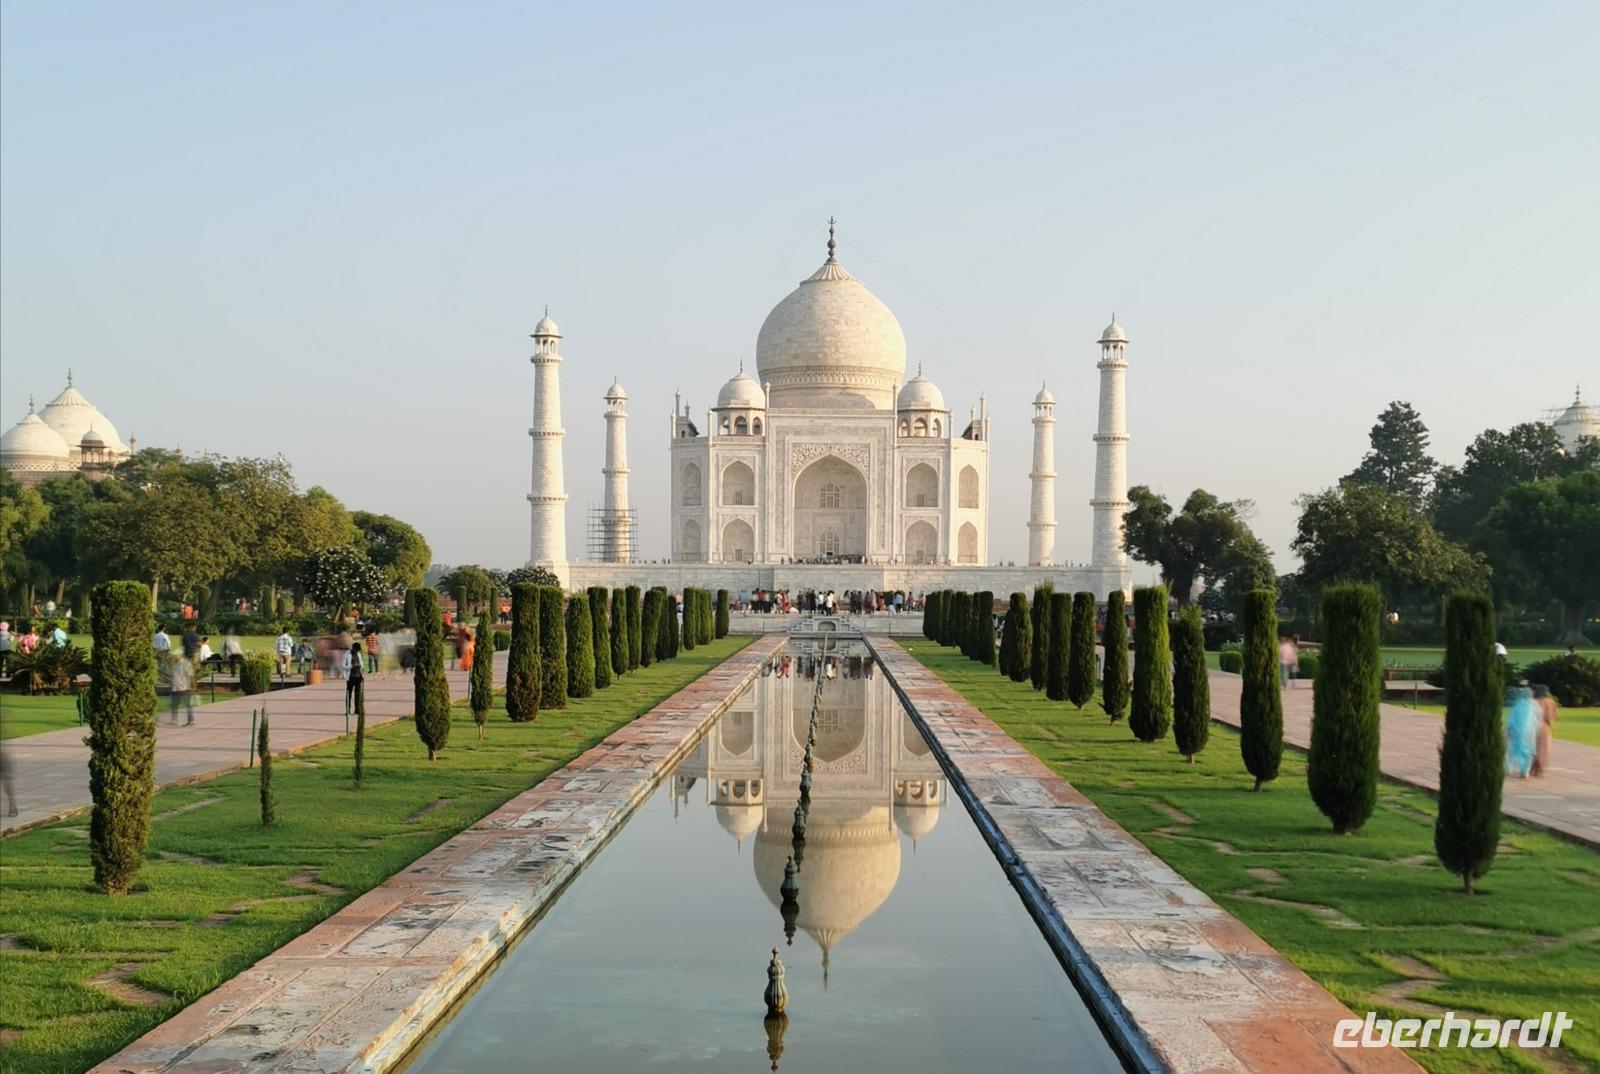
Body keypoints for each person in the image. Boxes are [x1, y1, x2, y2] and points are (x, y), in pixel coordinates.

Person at [1505, 686, 1539, 778]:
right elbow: (1539, 719)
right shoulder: (1535, 706)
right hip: (1530, 733)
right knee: (1528, 752)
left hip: (1517, 732)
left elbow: (1512, 719)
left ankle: (1509, 769)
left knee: (1511, 750)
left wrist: (1508, 729)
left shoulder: (1518, 705)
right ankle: (1525, 771)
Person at [1532, 684, 1558, 777]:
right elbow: (1549, 716)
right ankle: (1541, 769)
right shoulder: (1549, 702)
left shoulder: (1533, 701)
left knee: (1534, 747)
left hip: (1533, 727)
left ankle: (1533, 768)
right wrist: (1552, 726)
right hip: (1544, 727)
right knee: (1544, 748)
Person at [169, 654, 197, 726]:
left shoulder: (186, 664)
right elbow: (173, 676)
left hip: (185, 688)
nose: (172, 660)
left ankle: (191, 721)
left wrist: (194, 687)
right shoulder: (174, 665)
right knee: (174, 705)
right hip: (176, 688)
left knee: (188, 705)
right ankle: (174, 720)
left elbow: (192, 676)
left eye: (173, 658)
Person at [345, 642, 365, 715]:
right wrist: (351, 666)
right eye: (356, 650)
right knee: (349, 693)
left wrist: (360, 666)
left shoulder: (358, 654)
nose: (357, 651)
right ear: (353, 648)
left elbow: (362, 664)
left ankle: (357, 709)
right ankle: (348, 709)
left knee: (358, 694)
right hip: (350, 677)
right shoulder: (347, 654)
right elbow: (343, 665)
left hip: (358, 676)